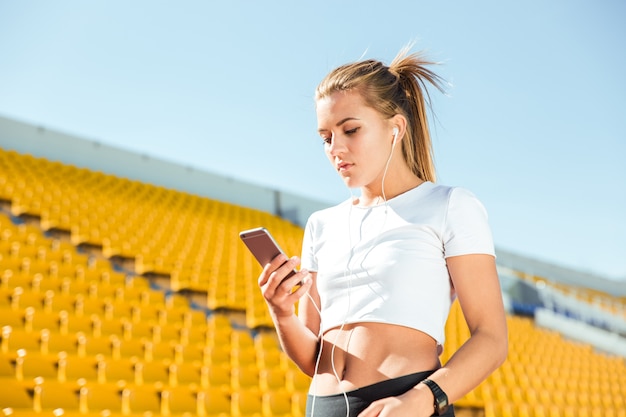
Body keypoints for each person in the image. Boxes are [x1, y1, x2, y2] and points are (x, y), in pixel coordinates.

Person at [257, 45, 508, 417]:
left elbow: (491, 339)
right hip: (322, 407)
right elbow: (314, 358)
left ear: (396, 127)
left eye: (350, 129)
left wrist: (422, 400)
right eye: (326, 137)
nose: (335, 148)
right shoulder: (320, 225)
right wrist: (281, 312)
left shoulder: (450, 206)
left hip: (405, 404)